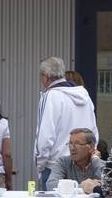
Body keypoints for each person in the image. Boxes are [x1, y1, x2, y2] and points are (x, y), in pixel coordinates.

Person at [34, 56, 98, 189]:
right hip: (83, 166)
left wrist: (40, 165)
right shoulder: (84, 95)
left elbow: (45, 137)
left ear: (45, 77)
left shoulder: (49, 96)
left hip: (56, 168)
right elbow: (93, 132)